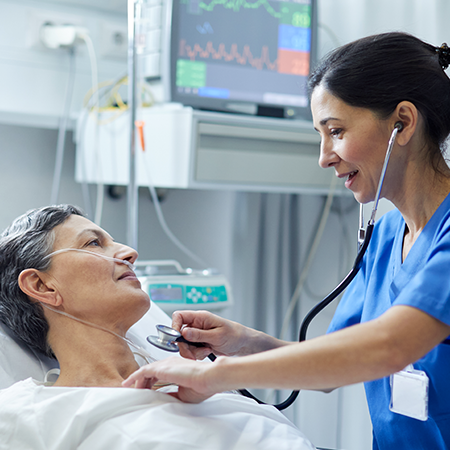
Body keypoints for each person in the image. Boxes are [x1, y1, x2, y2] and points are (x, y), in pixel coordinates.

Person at [123, 32, 450, 450]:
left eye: (335, 130)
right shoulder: (387, 235)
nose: (324, 155)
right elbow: (337, 361)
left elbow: (387, 347)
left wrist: (213, 377)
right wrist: (243, 343)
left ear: (401, 123)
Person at [0, 205, 314, 450]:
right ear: (41, 285)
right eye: (94, 243)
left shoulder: (203, 387)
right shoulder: (29, 413)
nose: (129, 252)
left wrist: (247, 345)